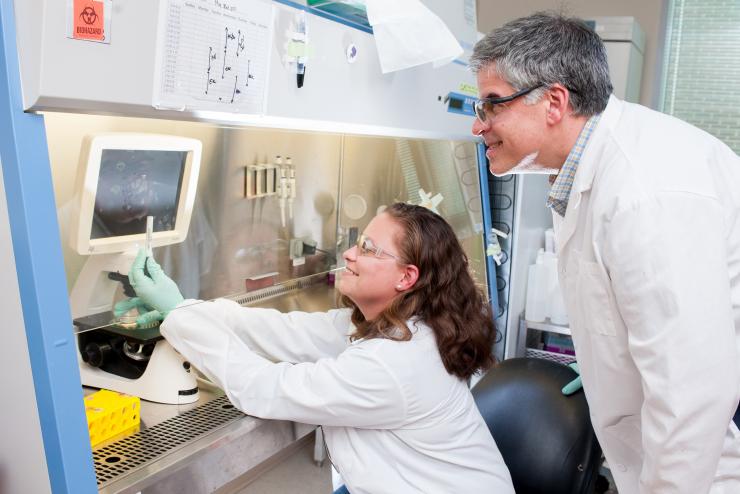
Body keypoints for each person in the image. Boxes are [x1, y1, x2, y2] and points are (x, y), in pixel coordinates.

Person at [470, 12, 740, 494]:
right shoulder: (577, 170)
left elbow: (692, 397)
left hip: (707, 438)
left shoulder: (647, 193)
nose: (478, 125)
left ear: (554, 102)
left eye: (492, 105)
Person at [122, 202, 515, 494]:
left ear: (406, 277)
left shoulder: (393, 364)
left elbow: (263, 389)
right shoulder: (397, 326)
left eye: (368, 248)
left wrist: (179, 315)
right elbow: (280, 330)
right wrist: (182, 309)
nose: (349, 253)